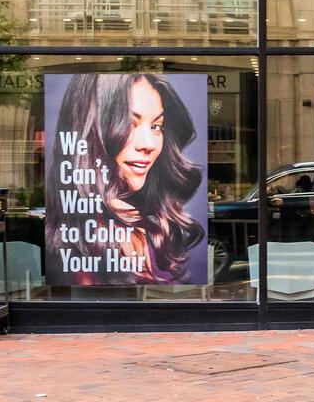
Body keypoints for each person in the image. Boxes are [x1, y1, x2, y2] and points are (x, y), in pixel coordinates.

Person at [48, 74, 206, 285]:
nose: (148, 144)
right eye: (130, 124)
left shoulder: (142, 219)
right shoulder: (104, 230)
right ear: (92, 128)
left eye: (156, 126)